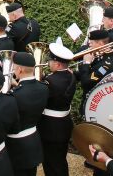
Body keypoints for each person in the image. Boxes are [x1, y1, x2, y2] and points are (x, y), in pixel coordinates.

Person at [39, 38, 77, 176]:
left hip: (50, 128)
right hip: (64, 124)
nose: (48, 63)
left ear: (58, 63)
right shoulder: (70, 75)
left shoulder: (51, 81)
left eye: (50, 61)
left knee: (51, 163)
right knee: (60, 160)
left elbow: (40, 98)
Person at [6, 52, 48, 176]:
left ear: (20, 69)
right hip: (33, 139)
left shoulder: (14, 95)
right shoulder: (43, 87)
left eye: (14, 68)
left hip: (16, 146)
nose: (13, 70)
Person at [76, 29, 113, 115]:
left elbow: (86, 82)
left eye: (91, 43)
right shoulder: (98, 55)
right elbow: (87, 73)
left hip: (93, 105)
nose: (89, 45)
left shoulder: (106, 65)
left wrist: (86, 63)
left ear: (101, 44)